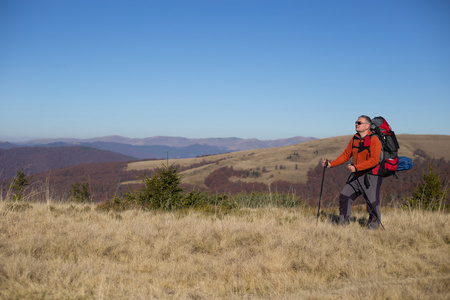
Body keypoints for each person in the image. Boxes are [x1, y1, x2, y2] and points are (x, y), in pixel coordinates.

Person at [322, 115, 383, 229]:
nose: (356, 124)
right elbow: (345, 155)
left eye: (359, 123)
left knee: (372, 203)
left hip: (371, 177)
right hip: (357, 175)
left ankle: (373, 229)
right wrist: (331, 164)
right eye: (356, 122)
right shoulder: (354, 138)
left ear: (367, 126)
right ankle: (343, 226)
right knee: (344, 197)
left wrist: (357, 167)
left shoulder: (374, 139)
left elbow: (374, 160)